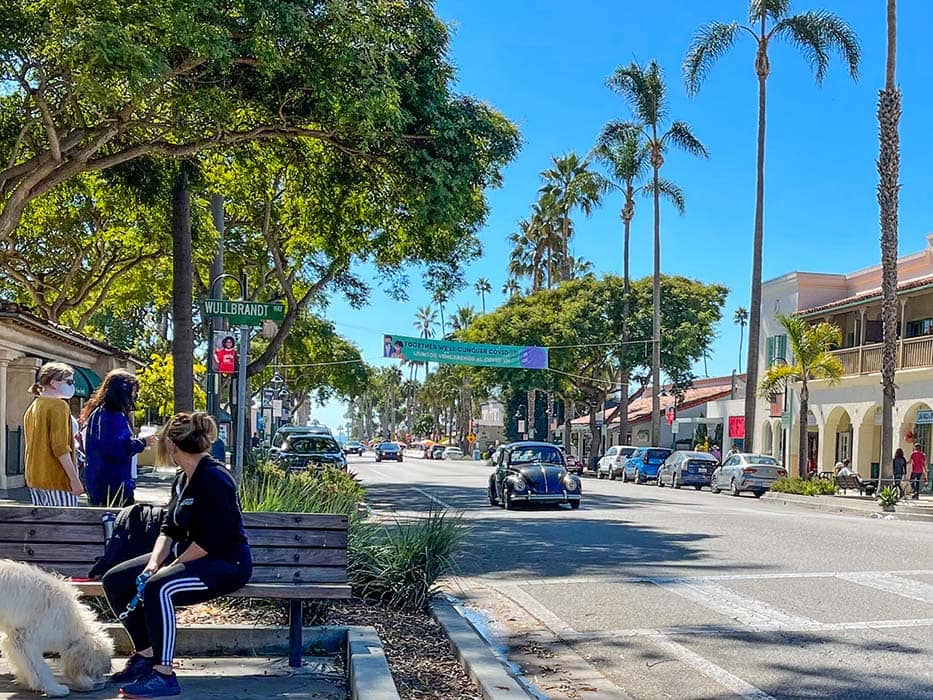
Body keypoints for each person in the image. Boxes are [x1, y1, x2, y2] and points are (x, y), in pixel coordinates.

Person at [102, 412, 252, 698]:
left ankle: (164, 674)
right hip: (191, 556)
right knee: (116, 580)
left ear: (172, 445)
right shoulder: (182, 480)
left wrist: (166, 570)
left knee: (160, 587)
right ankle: (145, 655)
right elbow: (168, 529)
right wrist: (152, 563)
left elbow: (210, 542)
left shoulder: (215, 478)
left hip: (225, 563)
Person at [80, 370, 155, 506]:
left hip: (97, 480)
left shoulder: (97, 413)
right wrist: (142, 442)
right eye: (133, 391)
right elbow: (118, 449)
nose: (135, 395)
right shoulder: (114, 416)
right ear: (123, 391)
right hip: (114, 482)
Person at [23, 362, 84, 506]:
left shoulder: (34, 406)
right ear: (53, 383)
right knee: (64, 525)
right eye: (69, 381)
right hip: (56, 478)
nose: (71, 385)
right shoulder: (59, 406)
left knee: (42, 524)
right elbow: (60, 448)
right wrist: (74, 479)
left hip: (35, 477)